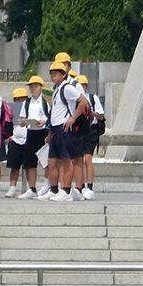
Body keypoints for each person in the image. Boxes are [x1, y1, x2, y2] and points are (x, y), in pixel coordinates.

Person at [41, 61, 89, 202]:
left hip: (64, 128)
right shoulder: (56, 89)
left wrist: (72, 118)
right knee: (53, 160)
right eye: (52, 74)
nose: (53, 76)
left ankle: (66, 190)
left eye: (56, 73)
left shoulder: (67, 88)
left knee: (66, 160)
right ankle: (54, 188)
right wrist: (50, 132)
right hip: (55, 128)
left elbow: (83, 101)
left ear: (63, 74)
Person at [17, 75, 49, 198]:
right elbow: (22, 117)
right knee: (29, 161)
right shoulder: (27, 102)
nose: (33, 89)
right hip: (31, 131)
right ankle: (32, 188)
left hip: (43, 131)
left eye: (35, 86)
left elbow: (51, 116)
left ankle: (47, 185)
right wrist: (23, 122)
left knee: (46, 160)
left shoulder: (46, 101)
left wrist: (44, 121)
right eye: (31, 86)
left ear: (41, 87)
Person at [77, 74, 103, 200]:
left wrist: (91, 112)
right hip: (79, 130)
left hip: (91, 129)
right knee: (78, 160)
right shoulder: (75, 99)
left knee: (87, 159)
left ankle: (90, 187)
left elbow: (101, 116)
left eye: (82, 85)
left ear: (86, 86)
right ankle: (80, 187)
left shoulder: (92, 98)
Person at [5, 87, 29, 197]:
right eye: (18, 99)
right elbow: (8, 124)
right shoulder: (11, 109)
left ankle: (29, 188)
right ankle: (12, 188)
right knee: (14, 167)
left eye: (23, 99)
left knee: (29, 166)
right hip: (15, 139)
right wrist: (9, 136)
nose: (20, 101)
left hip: (28, 138)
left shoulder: (30, 107)